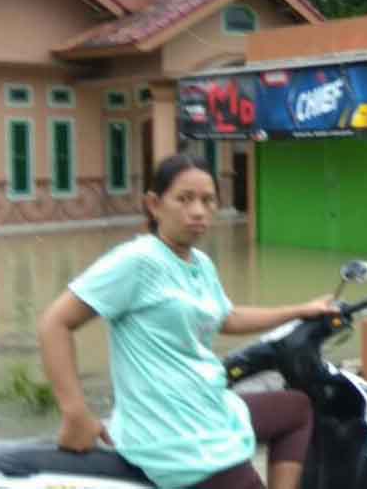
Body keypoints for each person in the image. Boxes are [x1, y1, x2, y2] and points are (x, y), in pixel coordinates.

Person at [37, 153, 339, 489]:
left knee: (296, 409)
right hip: (172, 434)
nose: (198, 211)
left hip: (206, 406)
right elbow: (55, 322)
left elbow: (226, 316)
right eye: (184, 199)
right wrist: (75, 413)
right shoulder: (138, 261)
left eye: (208, 201)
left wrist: (300, 309)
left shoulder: (199, 263)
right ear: (154, 204)